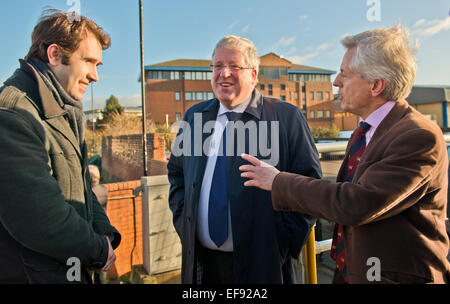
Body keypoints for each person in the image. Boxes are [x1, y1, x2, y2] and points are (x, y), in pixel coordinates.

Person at [239, 24, 450, 284]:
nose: (336, 82)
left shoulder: (417, 136)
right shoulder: (365, 130)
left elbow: (356, 203)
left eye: (344, 75)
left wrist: (277, 180)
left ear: (376, 85)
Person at [167, 35, 321, 284]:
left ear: (253, 74)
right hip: (202, 267)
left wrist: (279, 245)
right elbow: (176, 173)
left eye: (234, 66)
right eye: (217, 66)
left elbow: (309, 185)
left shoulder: (286, 118)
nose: (223, 73)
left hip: (263, 268)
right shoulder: (194, 116)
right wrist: (186, 225)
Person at [0, 9, 121, 284]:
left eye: (98, 65)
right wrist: (98, 250)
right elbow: (39, 218)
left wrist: (104, 233)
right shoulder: (13, 114)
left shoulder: (64, 110)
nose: (95, 76)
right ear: (54, 54)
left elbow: (81, 186)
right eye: (88, 61)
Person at [88, 164, 109, 284]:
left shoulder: (88, 192)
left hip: (91, 235)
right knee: (102, 271)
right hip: (103, 236)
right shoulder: (103, 189)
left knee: (89, 269)